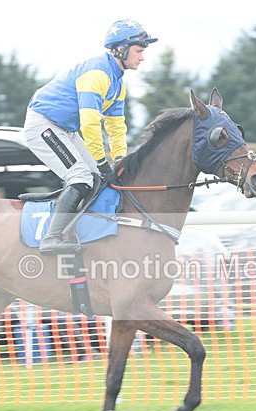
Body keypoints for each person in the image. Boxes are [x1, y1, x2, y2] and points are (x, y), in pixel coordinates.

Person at [23, 19, 157, 255]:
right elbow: (90, 124)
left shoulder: (118, 83)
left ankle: (74, 230)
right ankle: (51, 237)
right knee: (81, 176)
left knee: (97, 178)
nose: (142, 57)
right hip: (43, 124)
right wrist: (103, 161)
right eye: (139, 51)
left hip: (65, 129)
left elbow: (116, 127)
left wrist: (119, 161)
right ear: (121, 49)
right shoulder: (97, 73)